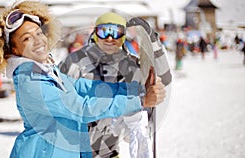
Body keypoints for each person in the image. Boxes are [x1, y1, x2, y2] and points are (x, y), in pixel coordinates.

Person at [0, 1, 166, 158]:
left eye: (39, 33)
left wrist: (136, 89)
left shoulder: (47, 71)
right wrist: (139, 101)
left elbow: (85, 87)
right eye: (27, 38)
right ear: (13, 50)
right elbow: (81, 108)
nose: (38, 40)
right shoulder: (31, 82)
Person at [59, 12, 170, 158]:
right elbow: (59, 89)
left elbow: (162, 75)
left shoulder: (130, 65)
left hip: (109, 149)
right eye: (103, 31)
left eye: (116, 32)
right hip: (74, 146)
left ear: (123, 36)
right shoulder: (76, 60)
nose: (110, 38)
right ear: (96, 34)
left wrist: (153, 41)